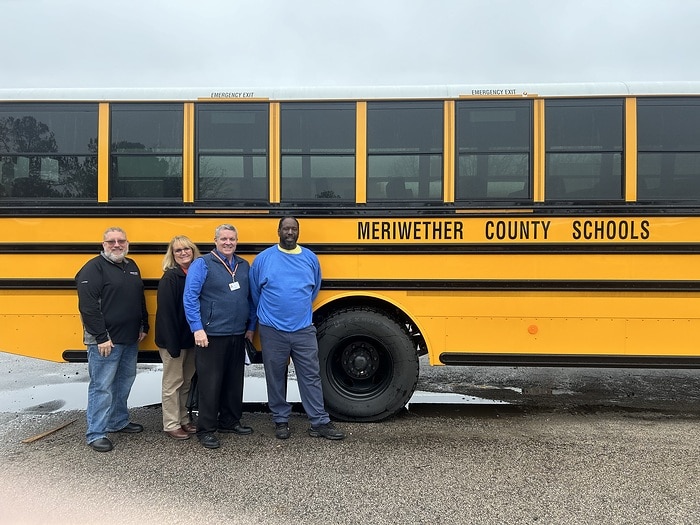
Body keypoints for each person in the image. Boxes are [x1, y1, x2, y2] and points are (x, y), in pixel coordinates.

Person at [249, 216, 345, 441]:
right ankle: (280, 420)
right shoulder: (264, 259)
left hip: (303, 329)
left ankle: (319, 421)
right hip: (272, 329)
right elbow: (255, 294)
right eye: (286, 228)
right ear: (278, 231)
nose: (289, 232)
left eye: (293, 229)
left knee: (310, 375)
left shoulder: (310, 258)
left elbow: (313, 289)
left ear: (298, 232)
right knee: (275, 376)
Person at [76, 227, 149, 452]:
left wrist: (143, 324)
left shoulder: (131, 266)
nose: (117, 245)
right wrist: (101, 337)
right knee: (102, 387)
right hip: (105, 341)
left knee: (123, 382)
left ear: (127, 243)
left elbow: (139, 297)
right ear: (103, 244)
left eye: (121, 241)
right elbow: (87, 308)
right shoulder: (93, 268)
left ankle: (118, 421)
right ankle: (96, 433)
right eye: (111, 242)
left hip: (129, 338)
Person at [183, 224, 256, 449]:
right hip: (210, 335)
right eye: (223, 239)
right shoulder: (202, 264)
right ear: (215, 241)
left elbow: (251, 299)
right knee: (210, 384)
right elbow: (190, 297)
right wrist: (197, 328)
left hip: (237, 333)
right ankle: (206, 429)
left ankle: (230, 421)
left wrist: (251, 327)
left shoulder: (244, 265)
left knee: (234, 382)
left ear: (236, 241)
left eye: (232, 239)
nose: (228, 243)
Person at [155, 235, 202, 440]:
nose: (183, 253)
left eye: (187, 249)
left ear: (193, 251)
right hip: (173, 340)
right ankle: (171, 423)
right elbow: (166, 313)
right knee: (172, 383)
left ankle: (184, 419)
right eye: (178, 250)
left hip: (189, 339)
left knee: (186, 382)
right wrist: (172, 344)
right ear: (172, 255)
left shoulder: (195, 274)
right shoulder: (171, 278)